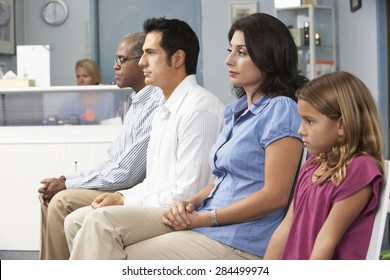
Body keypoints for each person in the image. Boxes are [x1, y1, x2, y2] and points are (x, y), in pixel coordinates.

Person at [66, 13, 307, 260]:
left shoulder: (281, 109)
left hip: (238, 240)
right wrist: (190, 203)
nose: (228, 60)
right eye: (230, 50)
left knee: (110, 239)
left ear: (268, 58)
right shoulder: (235, 111)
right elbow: (221, 179)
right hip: (208, 226)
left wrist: (204, 217)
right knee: (106, 244)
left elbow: (275, 196)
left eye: (241, 52)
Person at [38, 33, 162, 260]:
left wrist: (66, 185)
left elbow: (126, 175)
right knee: (50, 197)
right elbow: (111, 162)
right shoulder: (135, 103)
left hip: (130, 191)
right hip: (120, 184)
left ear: (142, 61)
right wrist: (65, 179)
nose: (115, 66)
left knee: (60, 200)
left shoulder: (155, 103)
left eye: (122, 60)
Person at [264, 71, 384, 260]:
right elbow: (286, 227)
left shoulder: (360, 169)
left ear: (341, 126)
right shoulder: (312, 164)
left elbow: (326, 239)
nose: (300, 130)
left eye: (310, 121)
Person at [58, 58, 116, 124]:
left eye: (85, 76)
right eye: (78, 76)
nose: (81, 80)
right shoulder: (70, 101)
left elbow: (114, 124)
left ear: (95, 77)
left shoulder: (108, 99)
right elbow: (60, 124)